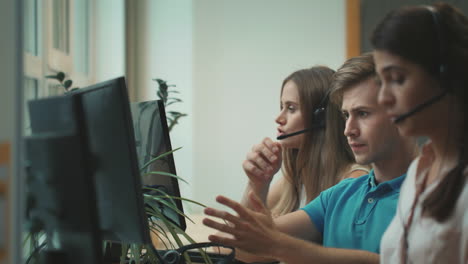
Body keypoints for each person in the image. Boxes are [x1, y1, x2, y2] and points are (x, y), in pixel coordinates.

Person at [203, 53, 417, 263]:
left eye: (362, 113)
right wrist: (258, 183)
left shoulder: (432, 195)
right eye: (345, 115)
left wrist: (279, 245)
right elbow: (242, 248)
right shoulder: (339, 195)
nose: (348, 130)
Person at [372, 3, 468, 263]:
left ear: (446, 75)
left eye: (397, 79)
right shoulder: (418, 170)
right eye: (382, 82)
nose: (383, 98)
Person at [241, 66, 368, 217]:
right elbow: (237, 230)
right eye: (282, 107)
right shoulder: (293, 181)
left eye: (291, 108)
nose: (279, 118)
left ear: (320, 119)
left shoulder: (353, 181)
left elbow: (258, 231)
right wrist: (257, 183)